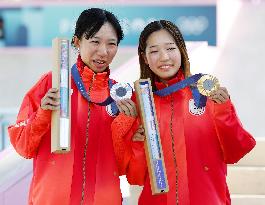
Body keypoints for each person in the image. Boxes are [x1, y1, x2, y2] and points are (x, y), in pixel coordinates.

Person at [111, 20, 256, 205]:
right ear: (145, 57)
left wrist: (224, 111)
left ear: (181, 50)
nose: (164, 57)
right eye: (154, 51)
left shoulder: (205, 95)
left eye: (170, 48)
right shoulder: (139, 104)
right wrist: (138, 144)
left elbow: (236, 151)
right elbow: (136, 177)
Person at [8, 8, 125, 205]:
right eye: (95, 41)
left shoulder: (120, 95)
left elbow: (127, 166)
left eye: (111, 44)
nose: (103, 52)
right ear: (77, 42)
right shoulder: (50, 84)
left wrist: (130, 128)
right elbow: (23, 147)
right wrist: (43, 114)